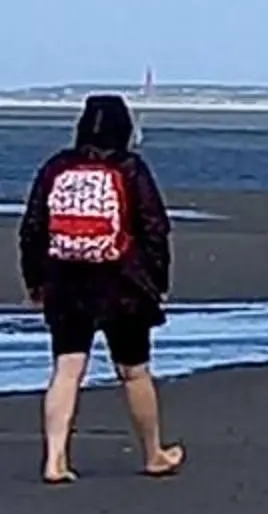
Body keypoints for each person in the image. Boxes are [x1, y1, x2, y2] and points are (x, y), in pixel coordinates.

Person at [19, 92, 183, 484]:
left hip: (65, 280)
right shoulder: (130, 168)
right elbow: (154, 228)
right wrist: (157, 282)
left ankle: (55, 459)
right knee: (134, 372)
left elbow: (33, 228)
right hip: (122, 284)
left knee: (66, 369)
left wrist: (36, 280)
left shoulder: (57, 167)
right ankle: (153, 453)